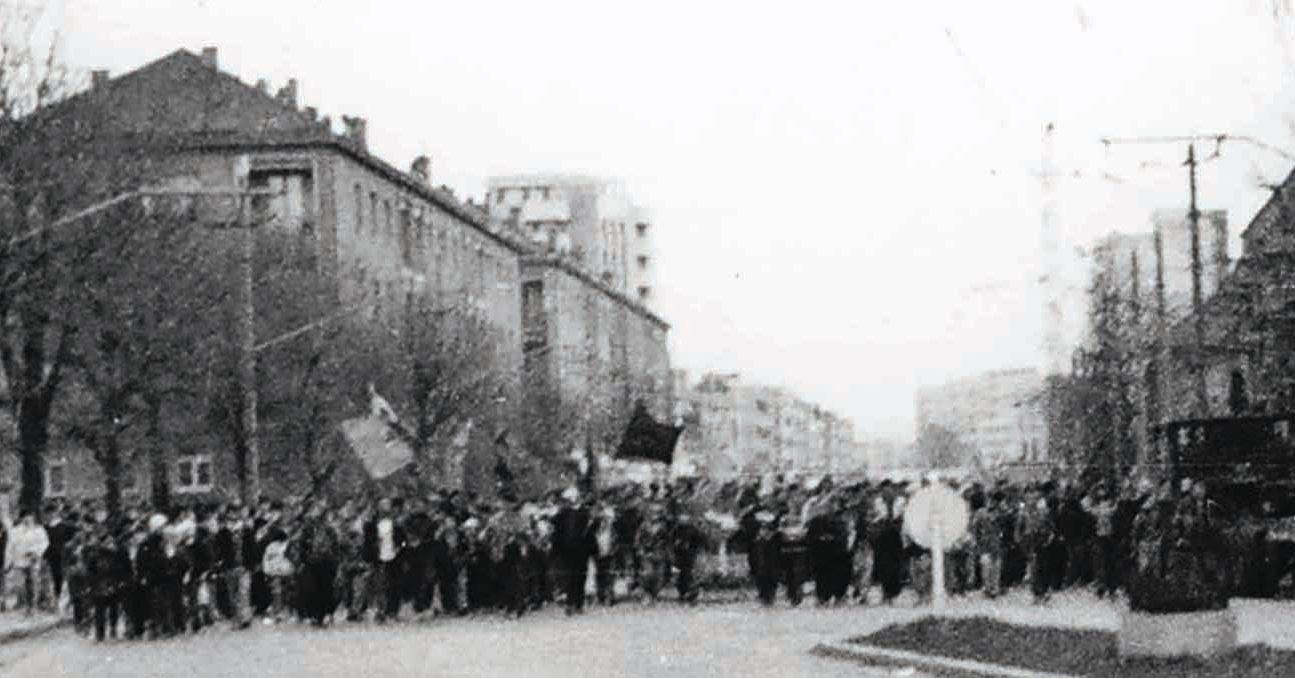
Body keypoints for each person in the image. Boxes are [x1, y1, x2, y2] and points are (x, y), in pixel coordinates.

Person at [363, 497, 405, 622]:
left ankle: (392, 611)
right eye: (383, 505)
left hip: (394, 558)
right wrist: (370, 553)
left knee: (394, 585)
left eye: (388, 505)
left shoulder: (396, 524)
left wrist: (400, 548)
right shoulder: (371, 525)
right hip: (378, 558)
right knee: (380, 585)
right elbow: (367, 542)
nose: (386, 508)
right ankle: (380, 610)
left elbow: (403, 540)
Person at [551, 487, 592, 615]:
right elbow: (556, 531)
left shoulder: (585, 512)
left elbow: (589, 532)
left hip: (581, 549)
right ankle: (570, 603)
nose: (568, 501)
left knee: (581, 575)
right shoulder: (563, 513)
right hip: (567, 549)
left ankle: (578, 603)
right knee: (569, 576)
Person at [7, 510, 50, 617]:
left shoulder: (39, 530)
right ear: (21, 518)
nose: (27, 520)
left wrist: (35, 552)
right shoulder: (15, 531)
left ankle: (32, 607)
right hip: (19, 561)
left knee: (33, 584)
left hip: (33, 561)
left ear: (33, 518)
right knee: (20, 585)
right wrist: (9, 562)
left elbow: (45, 543)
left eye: (30, 517)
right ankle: (23, 604)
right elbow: (9, 547)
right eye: (25, 517)